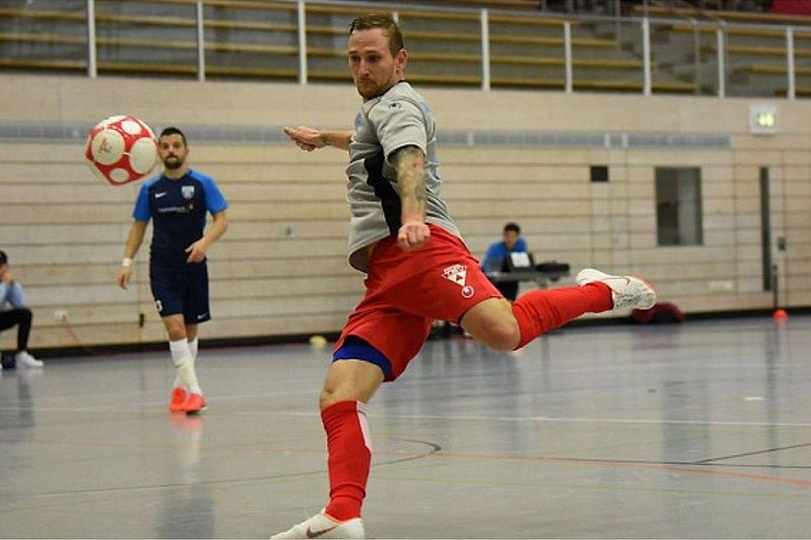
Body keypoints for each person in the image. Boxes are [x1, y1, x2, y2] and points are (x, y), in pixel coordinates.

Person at [276, 14, 656, 539]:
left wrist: (413, 216)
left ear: (400, 61)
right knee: (340, 392)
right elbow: (368, 141)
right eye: (354, 58)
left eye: (373, 58)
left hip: (420, 250)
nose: (362, 68)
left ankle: (604, 291)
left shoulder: (399, 104)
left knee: (503, 331)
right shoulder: (375, 109)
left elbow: (408, 158)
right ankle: (343, 512)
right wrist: (323, 138)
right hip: (387, 274)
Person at [117, 126, 229, 415]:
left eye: (176, 145)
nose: (171, 150)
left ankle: (180, 389)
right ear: (158, 152)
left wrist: (204, 243)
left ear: (186, 150)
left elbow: (221, 220)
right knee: (175, 327)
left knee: (189, 330)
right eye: (165, 146)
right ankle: (195, 392)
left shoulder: (203, 183)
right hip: (163, 267)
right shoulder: (150, 189)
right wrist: (126, 263)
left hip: (194, 265)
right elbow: (138, 228)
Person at [481, 222, 529, 301]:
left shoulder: (521, 245)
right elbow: (488, 268)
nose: (510, 239)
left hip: (510, 281)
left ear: (518, 237)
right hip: (495, 282)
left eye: (513, 236)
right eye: (507, 236)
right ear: (504, 236)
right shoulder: (494, 248)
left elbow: (522, 264)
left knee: (512, 282)